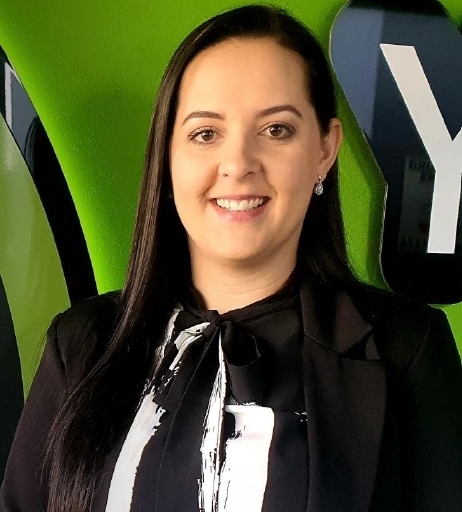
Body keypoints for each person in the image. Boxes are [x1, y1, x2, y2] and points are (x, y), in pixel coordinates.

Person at [1, 4, 462, 512]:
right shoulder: (80, 344)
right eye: (205, 133)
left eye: (276, 129)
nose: (238, 164)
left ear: (325, 150)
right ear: (168, 156)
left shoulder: (407, 350)